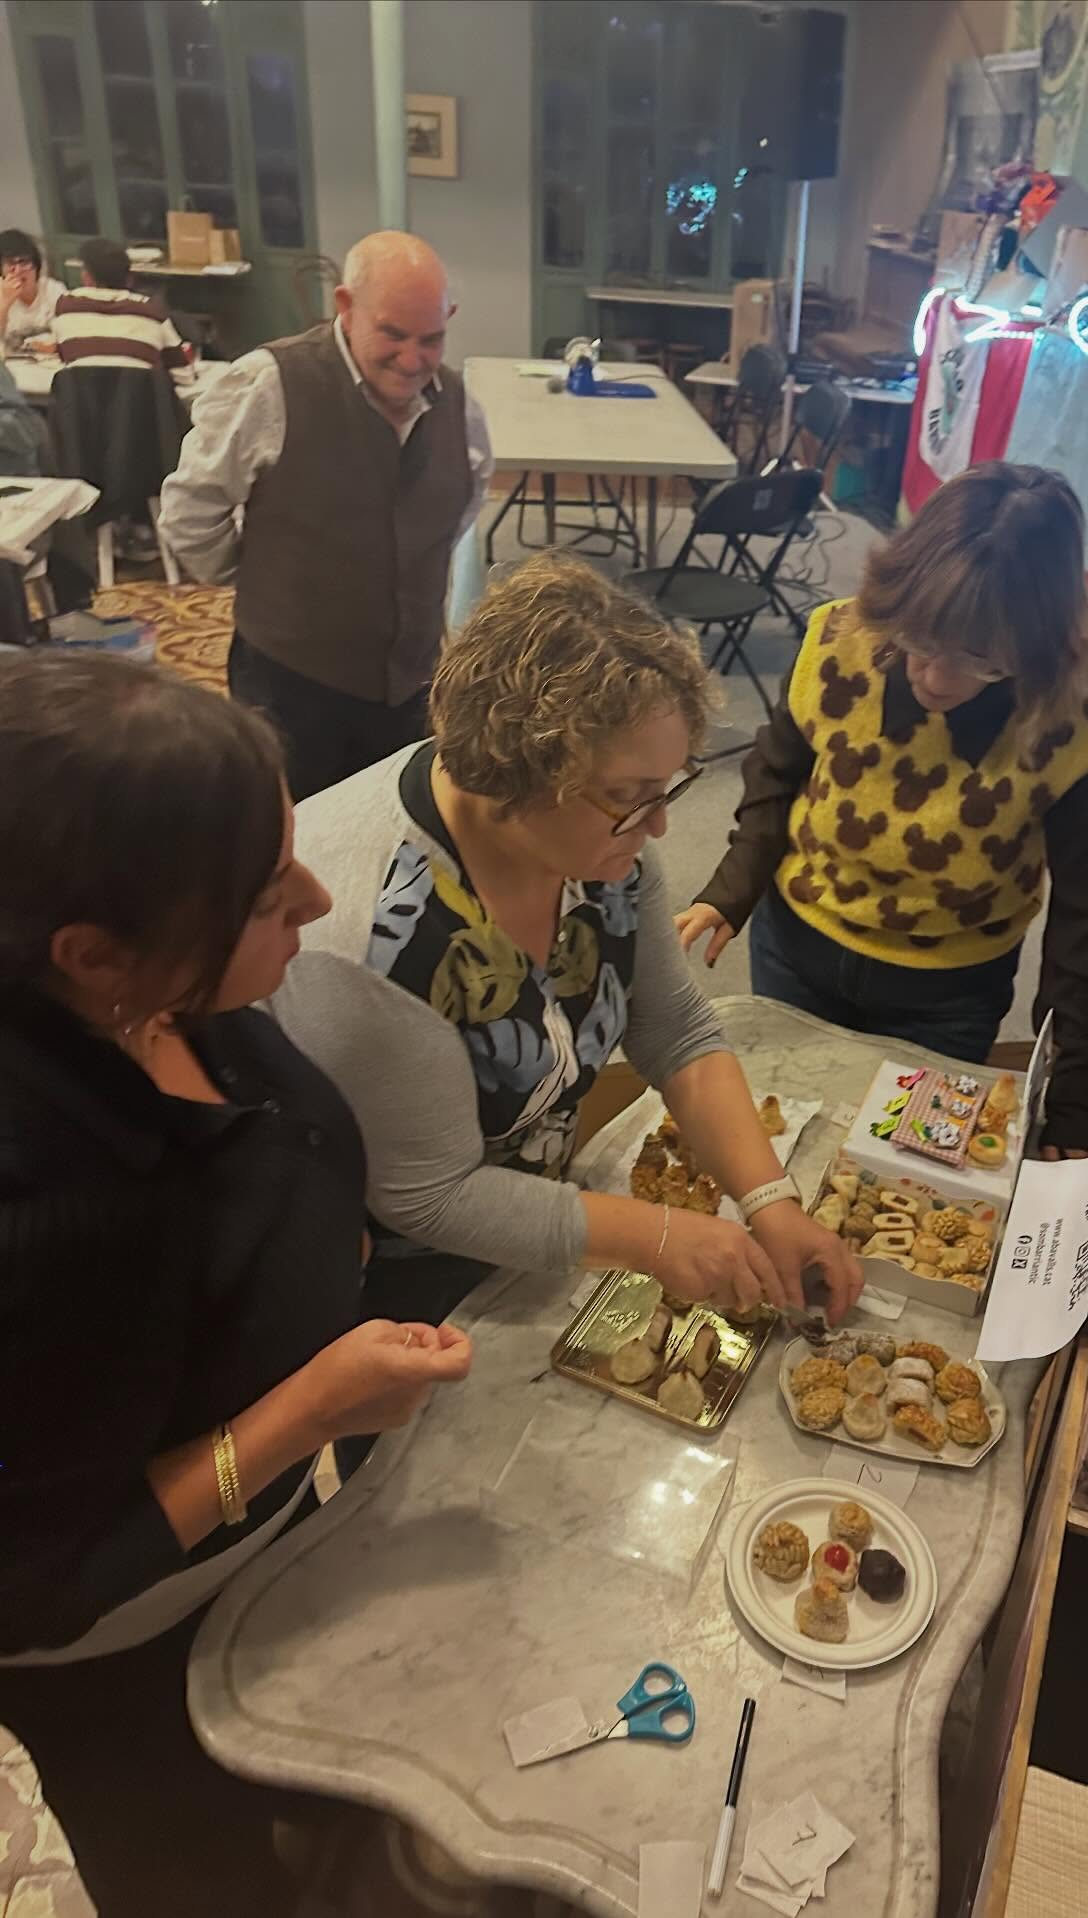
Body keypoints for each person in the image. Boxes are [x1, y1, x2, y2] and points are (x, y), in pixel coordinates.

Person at [0, 651, 472, 1916]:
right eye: (268, 895)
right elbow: (31, 1590)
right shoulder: (50, 1218)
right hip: (128, 1655)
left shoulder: (147, 992)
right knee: (200, 1873)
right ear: (98, 955)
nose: (320, 896)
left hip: (265, 1555)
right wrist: (308, 1407)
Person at [272, 552, 862, 1329]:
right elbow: (429, 1195)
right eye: (630, 797)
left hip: (536, 1210)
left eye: (668, 788)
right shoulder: (371, 943)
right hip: (388, 1282)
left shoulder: (593, 834)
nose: (658, 829)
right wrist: (652, 1235)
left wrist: (769, 1200)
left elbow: (674, 1027)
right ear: (511, 773)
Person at [677, 464, 1088, 1158]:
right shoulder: (844, 636)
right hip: (796, 946)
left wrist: (1075, 1090)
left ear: (1040, 647)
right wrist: (734, 886)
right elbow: (776, 776)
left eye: (977, 662)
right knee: (783, 1144)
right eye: (919, 645)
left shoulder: (1086, 709)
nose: (932, 678)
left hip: (948, 990)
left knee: (903, 1170)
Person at [159, 230, 495, 800]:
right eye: (392, 333)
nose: (413, 359)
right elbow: (190, 513)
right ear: (345, 305)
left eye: (431, 339)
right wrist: (261, 580)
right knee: (297, 837)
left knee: (393, 829)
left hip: (413, 683)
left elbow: (458, 513)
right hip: (290, 682)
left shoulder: (462, 409)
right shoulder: (270, 384)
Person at [51, 235, 194, 383]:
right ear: (129, 279)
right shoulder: (150, 311)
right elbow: (184, 376)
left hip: (80, 404)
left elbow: (65, 360)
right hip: (140, 403)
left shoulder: (66, 306)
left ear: (87, 277)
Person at [0, 227, 66, 353]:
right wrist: (4, 305)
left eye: (24, 262)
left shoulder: (54, 290)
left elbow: (69, 334)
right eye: (10, 264)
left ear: (36, 265)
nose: (18, 271)